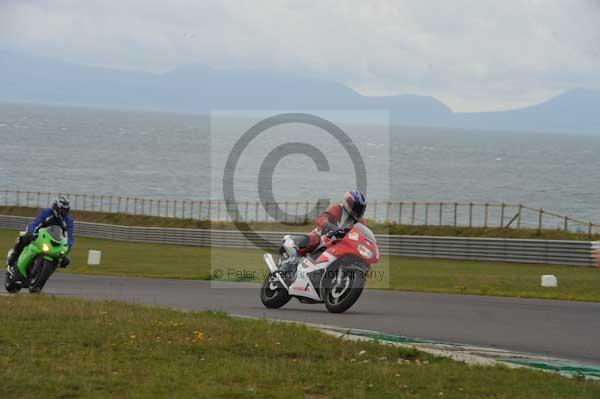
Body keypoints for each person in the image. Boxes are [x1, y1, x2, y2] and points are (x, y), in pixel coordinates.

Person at [279, 190, 367, 280]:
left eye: (361, 208)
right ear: (348, 202)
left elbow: (362, 235)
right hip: (323, 237)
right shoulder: (337, 208)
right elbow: (322, 218)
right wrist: (329, 226)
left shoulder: (360, 221)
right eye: (356, 206)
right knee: (315, 240)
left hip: (339, 246)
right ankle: (285, 269)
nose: (358, 210)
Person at [7, 196, 74, 271]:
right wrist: (32, 233)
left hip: (54, 240)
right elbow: (35, 224)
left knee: (64, 260)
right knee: (24, 237)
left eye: (66, 210)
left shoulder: (68, 221)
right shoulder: (46, 212)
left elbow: (69, 237)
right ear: (56, 207)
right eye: (62, 209)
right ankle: (14, 256)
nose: (64, 212)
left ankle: (45, 273)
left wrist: (66, 248)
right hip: (39, 235)